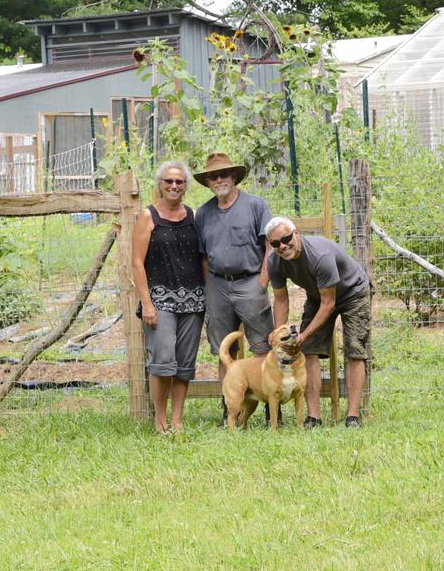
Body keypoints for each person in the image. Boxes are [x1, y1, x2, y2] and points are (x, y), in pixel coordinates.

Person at [265, 214, 373, 428]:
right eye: (276, 243)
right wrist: (280, 334)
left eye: (286, 239)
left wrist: (303, 335)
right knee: (308, 351)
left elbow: (329, 303)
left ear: (297, 234)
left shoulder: (319, 255)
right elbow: (280, 299)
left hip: (353, 292)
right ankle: (313, 417)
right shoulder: (274, 262)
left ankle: (352, 417)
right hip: (318, 296)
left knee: (354, 350)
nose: (283, 246)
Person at [130, 160, 202, 434]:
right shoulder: (148, 217)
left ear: (185, 186)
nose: (174, 186)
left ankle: (177, 420)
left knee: (184, 365)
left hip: (194, 301)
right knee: (162, 361)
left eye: (179, 182)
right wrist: (147, 303)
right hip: (160, 301)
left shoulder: (193, 216)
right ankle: (160, 420)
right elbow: (137, 262)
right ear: (159, 185)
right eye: (169, 181)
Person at [193, 151, 273, 370]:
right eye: (213, 176)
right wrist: (210, 286)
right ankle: (230, 403)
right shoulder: (203, 214)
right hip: (217, 286)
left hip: (250, 282)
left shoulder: (256, 206)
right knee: (224, 351)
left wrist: (262, 282)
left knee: (262, 347)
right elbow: (203, 256)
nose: (219, 180)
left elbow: (270, 246)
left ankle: (269, 402)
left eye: (224, 174)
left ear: (234, 176)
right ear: (208, 182)